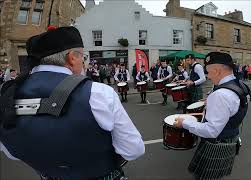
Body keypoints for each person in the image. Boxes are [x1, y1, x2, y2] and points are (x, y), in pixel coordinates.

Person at [0, 26, 144, 180]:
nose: (84, 62)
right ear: (72, 58)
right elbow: (133, 149)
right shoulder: (98, 93)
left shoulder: (7, 94)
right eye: (83, 57)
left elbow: (11, 152)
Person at [174, 52, 251, 180]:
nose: (208, 76)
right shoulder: (241, 85)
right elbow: (234, 109)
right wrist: (210, 102)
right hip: (231, 137)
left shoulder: (221, 94)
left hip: (216, 144)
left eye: (209, 72)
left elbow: (211, 130)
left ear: (217, 70)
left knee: (205, 177)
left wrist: (184, 123)